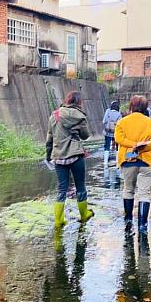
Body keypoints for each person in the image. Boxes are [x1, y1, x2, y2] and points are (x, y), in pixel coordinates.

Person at [46, 91, 95, 228]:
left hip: (58, 157)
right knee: (80, 187)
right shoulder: (80, 116)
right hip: (76, 156)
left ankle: (59, 220)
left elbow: (49, 138)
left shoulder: (54, 115)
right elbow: (85, 136)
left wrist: (48, 155)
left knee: (62, 188)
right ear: (78, 102)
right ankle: (84, 214)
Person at [114, 95, 151, 234]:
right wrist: (141, 148)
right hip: (146, 159)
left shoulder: (122, 122)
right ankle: (142, 225)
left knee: (128, 190)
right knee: (144, 193)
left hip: (128, 158)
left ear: (131, 107)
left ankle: (128, 220)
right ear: (145, 108)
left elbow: (118, 138)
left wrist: (133, 146)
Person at [102, 100, 122, 167]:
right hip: (115, 132)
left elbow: (104, 121)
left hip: (107, 132)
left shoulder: (108, 111)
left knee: (107, 146)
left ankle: (105, 162)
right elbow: (120, 124)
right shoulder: (119, 114)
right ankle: (117, 161)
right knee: (117, 147)